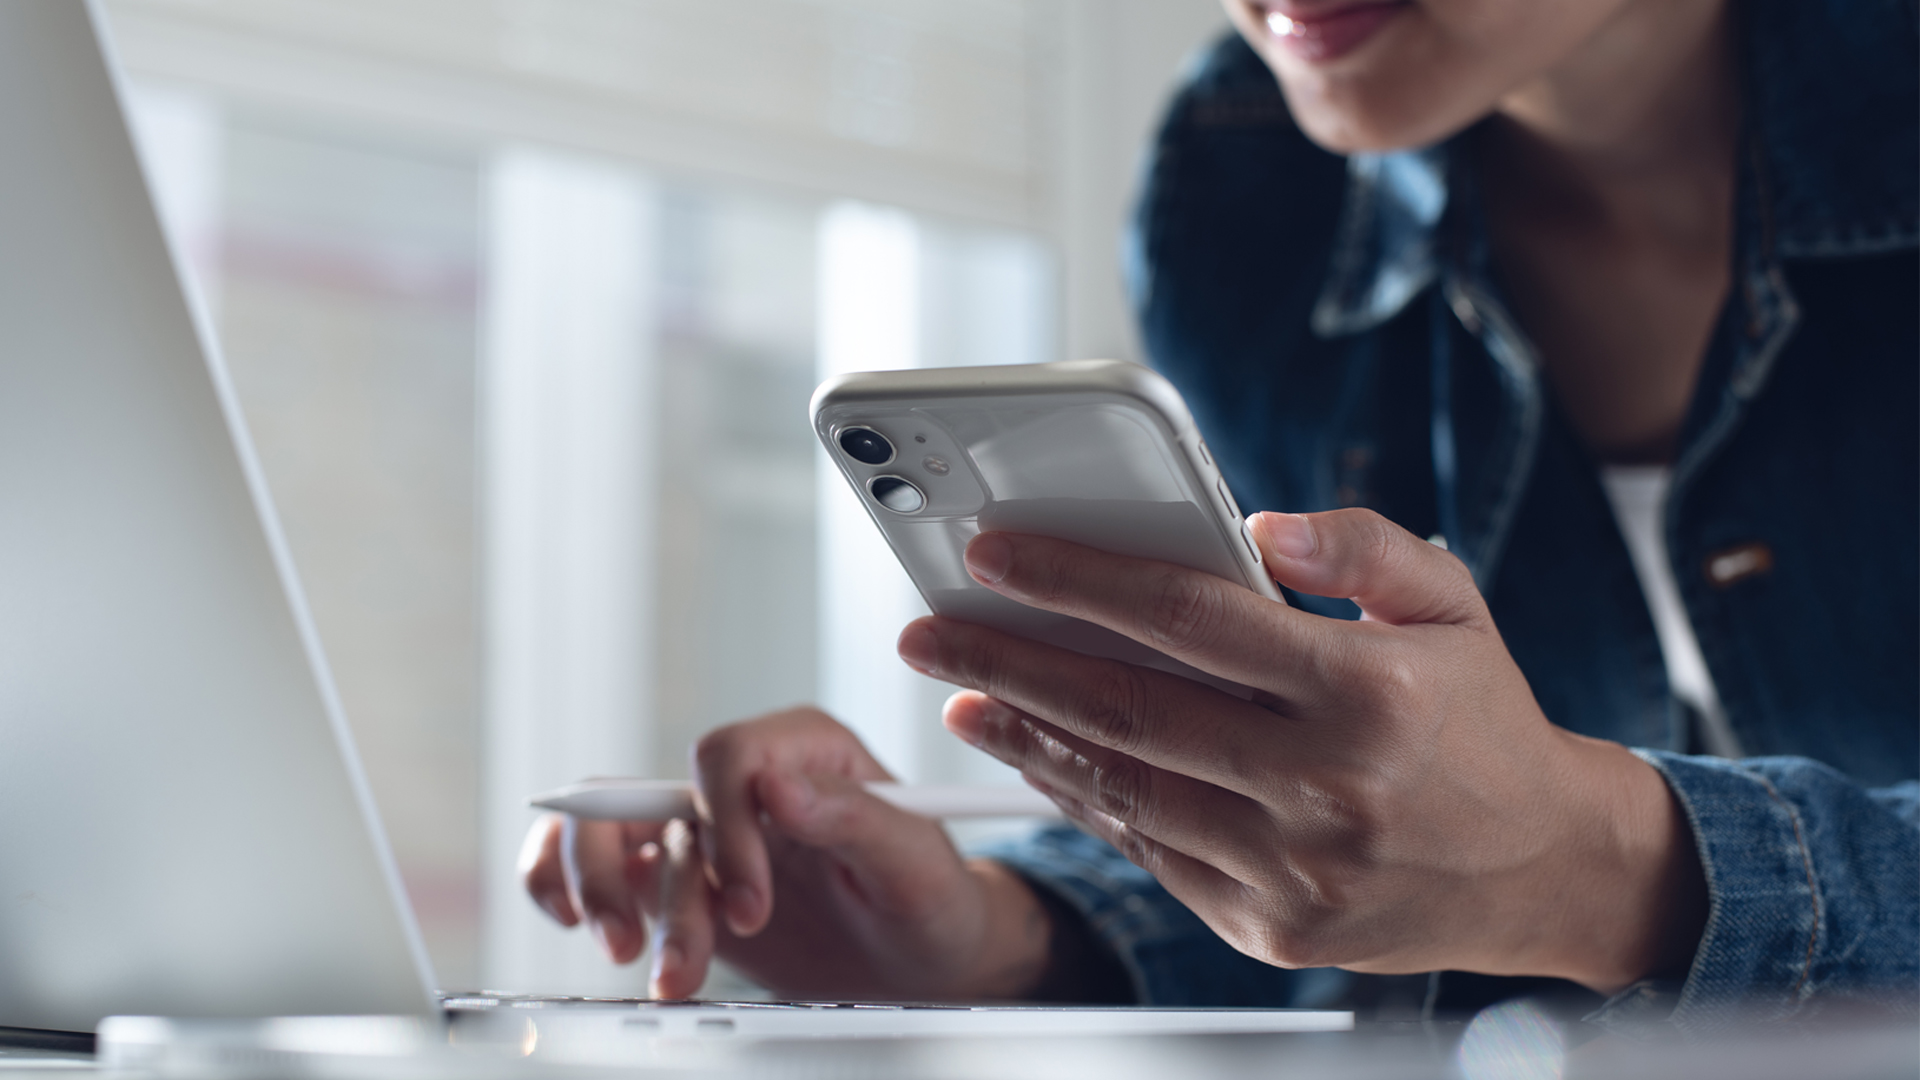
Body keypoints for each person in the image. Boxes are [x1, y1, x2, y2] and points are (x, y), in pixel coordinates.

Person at [522, 0, 1918, 1029]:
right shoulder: (1254, 182)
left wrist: (1597, 865)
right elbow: (1362, 853)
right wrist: (1003, 941)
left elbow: (1503, 865)